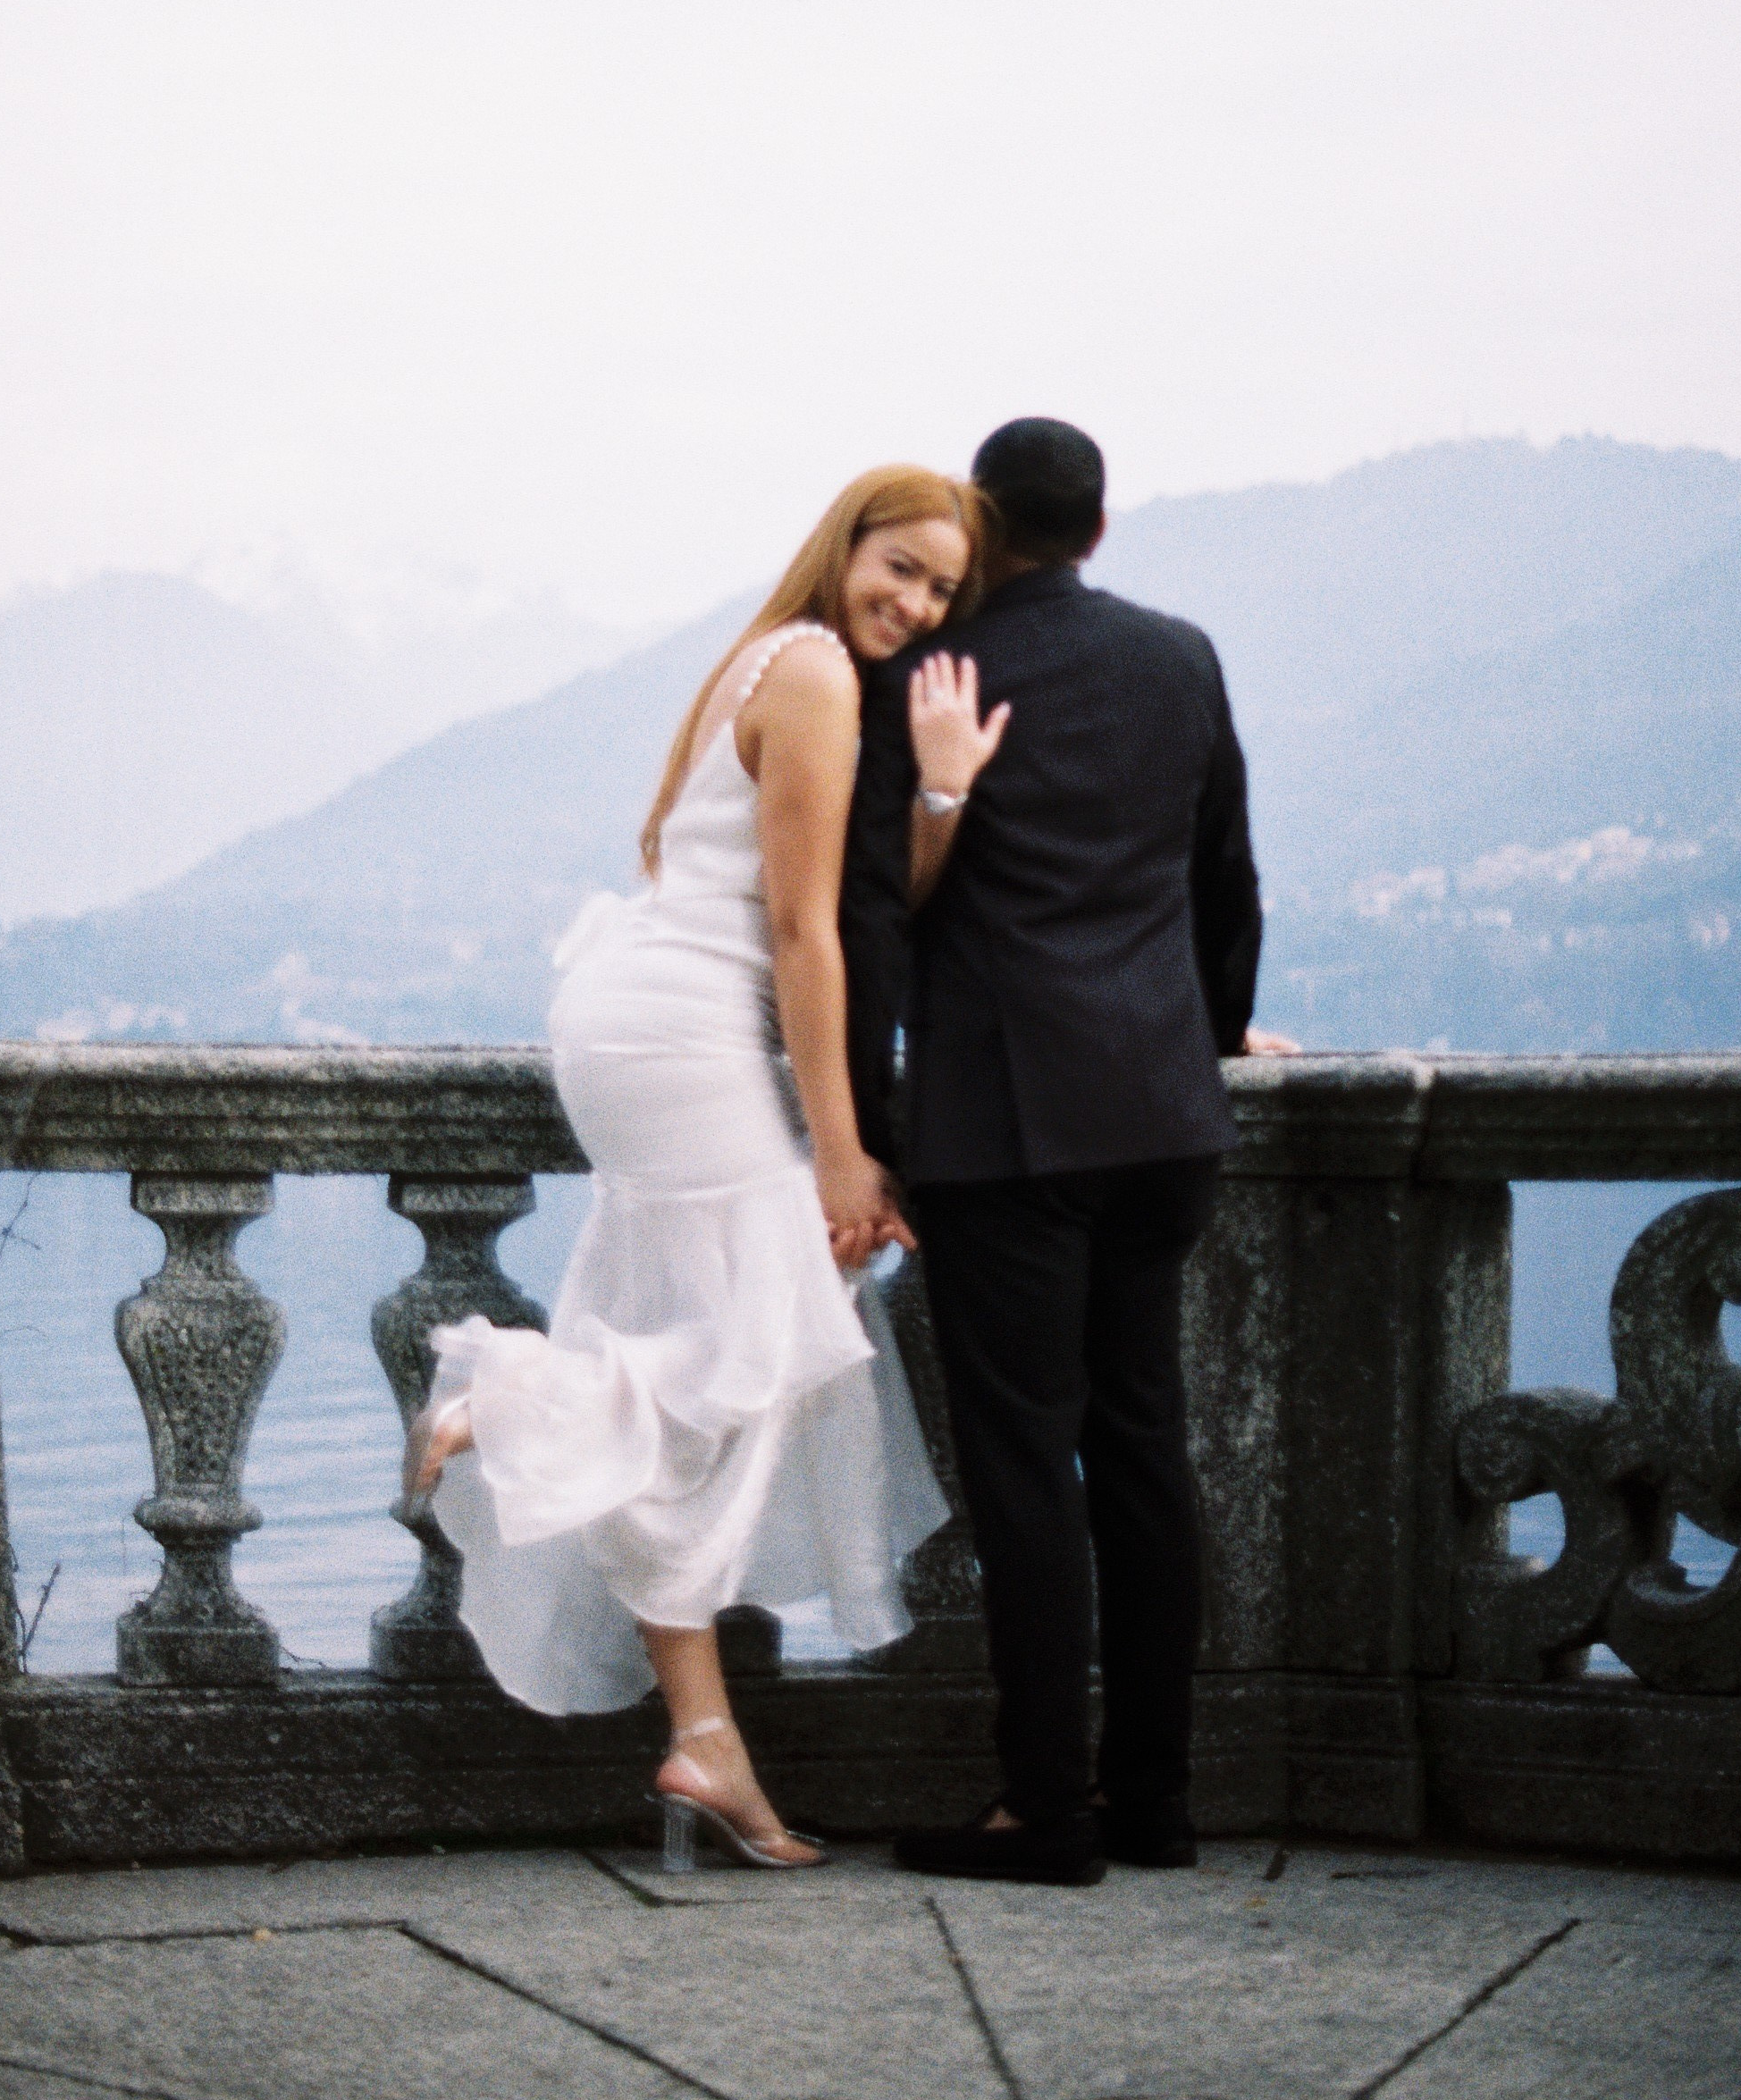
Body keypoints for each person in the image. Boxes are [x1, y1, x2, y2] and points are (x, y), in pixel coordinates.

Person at [406, 466, 1002, 1871]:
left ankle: (708, 1745)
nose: (911, 603)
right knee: (755, 1341)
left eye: (939, 590)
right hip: (684, 1037)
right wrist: (844, 1154)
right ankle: (518, 1395)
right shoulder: (808, 676)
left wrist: (938, 796)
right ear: (843, 545)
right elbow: (808, 939)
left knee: (728, 1372)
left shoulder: (776, 659)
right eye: (898, 566)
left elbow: (846, 899)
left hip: (651, 1020)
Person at [840, 416, 1291, 1886]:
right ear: (1099, 529)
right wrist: (1217, 1032)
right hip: (1163, 1117)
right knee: (1145, 1456)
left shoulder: (925, 677)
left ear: (986, 522)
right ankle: (1156, 1803)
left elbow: (871, 923)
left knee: (1028, 1471)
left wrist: (864, 1126)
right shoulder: (1181, 657)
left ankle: (1046, 1810)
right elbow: (1227, 877)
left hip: (1005, 1131)